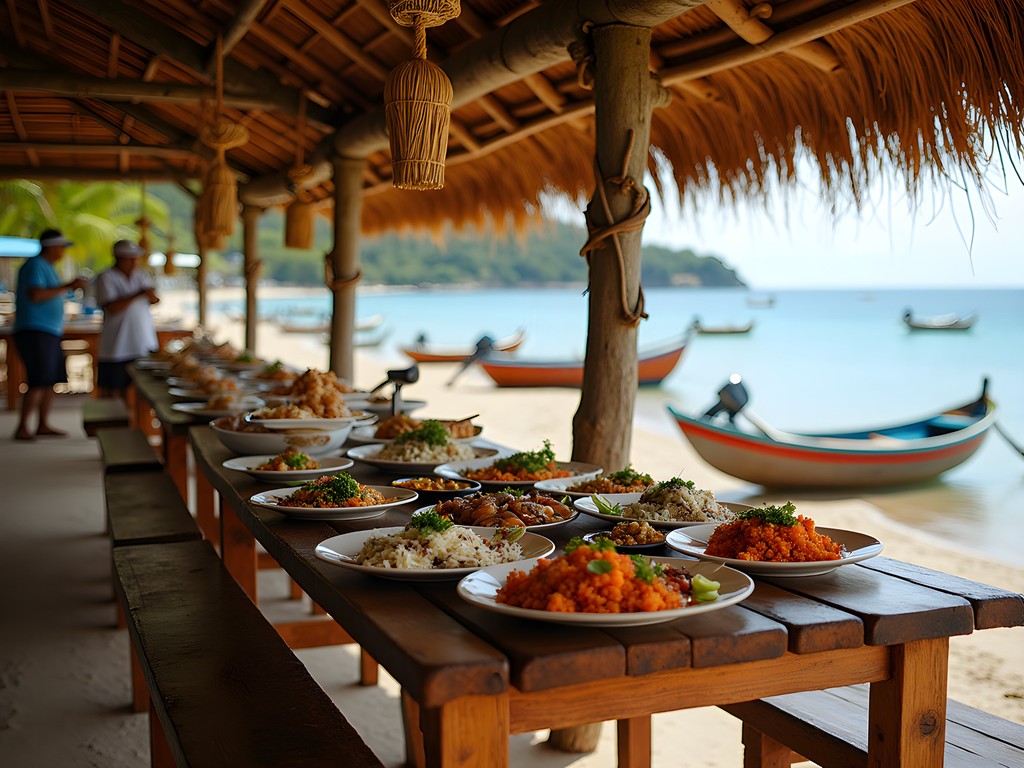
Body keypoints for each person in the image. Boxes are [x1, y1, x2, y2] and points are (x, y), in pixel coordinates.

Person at [12, 229, 89, 440]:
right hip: (35, 329)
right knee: (37, 379)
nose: (63, 251)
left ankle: (42, 424)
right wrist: (68, 286)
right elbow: (36, 295)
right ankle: (22, 427)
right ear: (52, 247)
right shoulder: (35, 265)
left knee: (49, 379)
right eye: (62, 247)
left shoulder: (47, 267)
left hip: (49, 330)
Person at [93, 240, 159, 399]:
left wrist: (147, 294)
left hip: (142, 341)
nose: (134, 262)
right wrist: (138, 293)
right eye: (130, 258)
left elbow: (155, 299)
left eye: (135, 258)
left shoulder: (141, 275)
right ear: (118, 258)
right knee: (113, 391)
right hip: (117, 344)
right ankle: (117, 421)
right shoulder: (106, 277)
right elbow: (112, 307)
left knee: (146, 389)